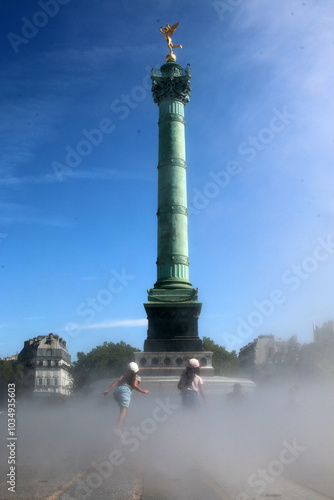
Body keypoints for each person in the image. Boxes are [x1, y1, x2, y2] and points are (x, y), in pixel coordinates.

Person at [103, 362, 150, 431]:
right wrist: (143, 391)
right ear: (137, 371)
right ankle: (118, 429)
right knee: (123, 411)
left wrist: (108, 390)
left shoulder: (124, 376)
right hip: (125, 391)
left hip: (116, 392)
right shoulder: (136, 377)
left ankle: (122, 428)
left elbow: (116, 382)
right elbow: (134, 385)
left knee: (124, 411)